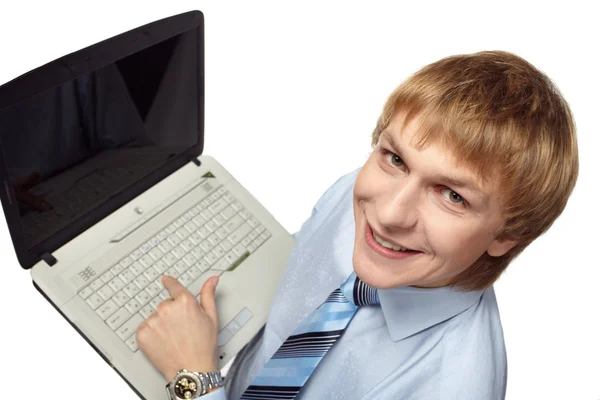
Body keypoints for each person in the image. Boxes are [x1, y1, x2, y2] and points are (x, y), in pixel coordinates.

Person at [135, 50, 579, 399]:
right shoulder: (358, 195)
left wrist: (190, 378)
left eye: (452, 195)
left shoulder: (454, 385)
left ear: (506, 236)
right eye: (396, 159)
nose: (387, 215)